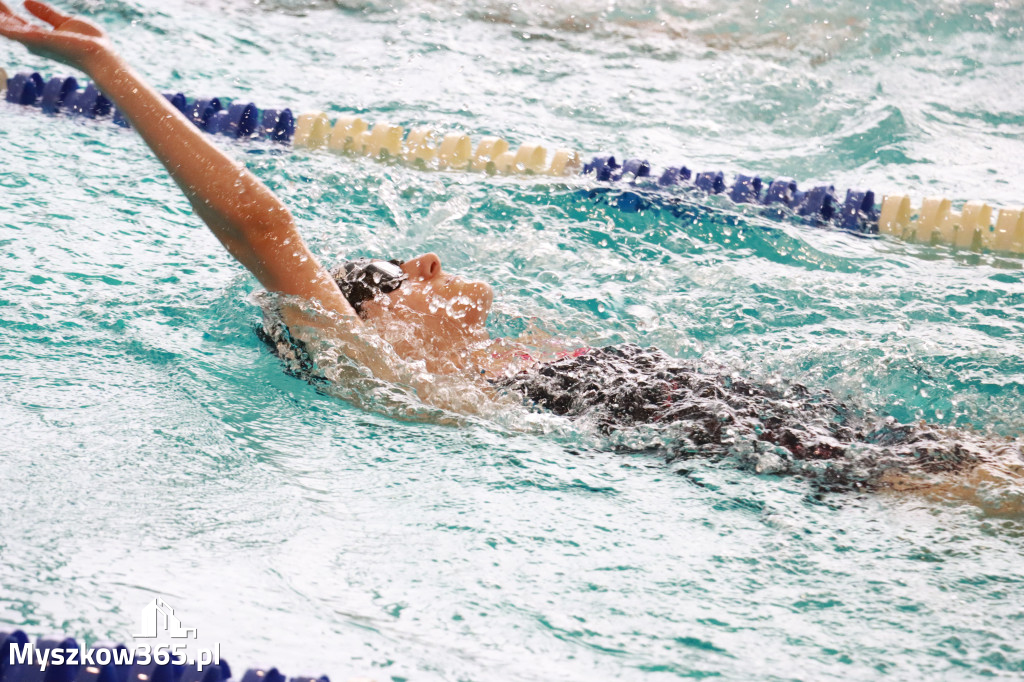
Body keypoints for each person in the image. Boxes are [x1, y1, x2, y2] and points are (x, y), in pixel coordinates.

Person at [2, 1, 1021, 501]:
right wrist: (103, 65)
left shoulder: (510, 357)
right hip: (798, 462)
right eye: (397, 277)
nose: (431, 271)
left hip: (793, 424)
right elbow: (263, 228)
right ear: (362, 319)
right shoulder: (384, 373)